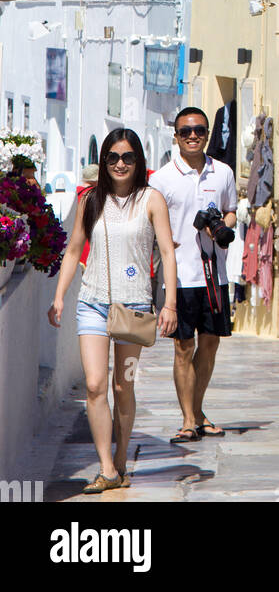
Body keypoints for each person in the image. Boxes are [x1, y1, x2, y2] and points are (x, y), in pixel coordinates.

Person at [48, 129, 178, 494]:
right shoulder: (90, 200)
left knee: (123, 385)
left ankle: (121, 459)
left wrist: (169, 303)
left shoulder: (152, 200)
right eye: (113, 157)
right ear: (104, 162)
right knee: (94, 384)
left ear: (138, 161)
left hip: (134, 307)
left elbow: (167, 251)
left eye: (128, 157)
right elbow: (74, 249)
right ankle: (105, 466)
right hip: (92, 303)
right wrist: (59, 296)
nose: (120, 164)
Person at [149, 107, 238, 445]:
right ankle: (187, 419)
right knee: (183, 347)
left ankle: (197, 412)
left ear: (206, 134)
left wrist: (222, 226)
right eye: (185, 131)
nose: (192, 136)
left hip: (215, 275)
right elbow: (151, 222)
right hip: (180, 276)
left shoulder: (223, 172)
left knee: (211, 344)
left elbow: (231, 211)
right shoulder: (161, 179)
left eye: (199, 130)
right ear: (176, 136)